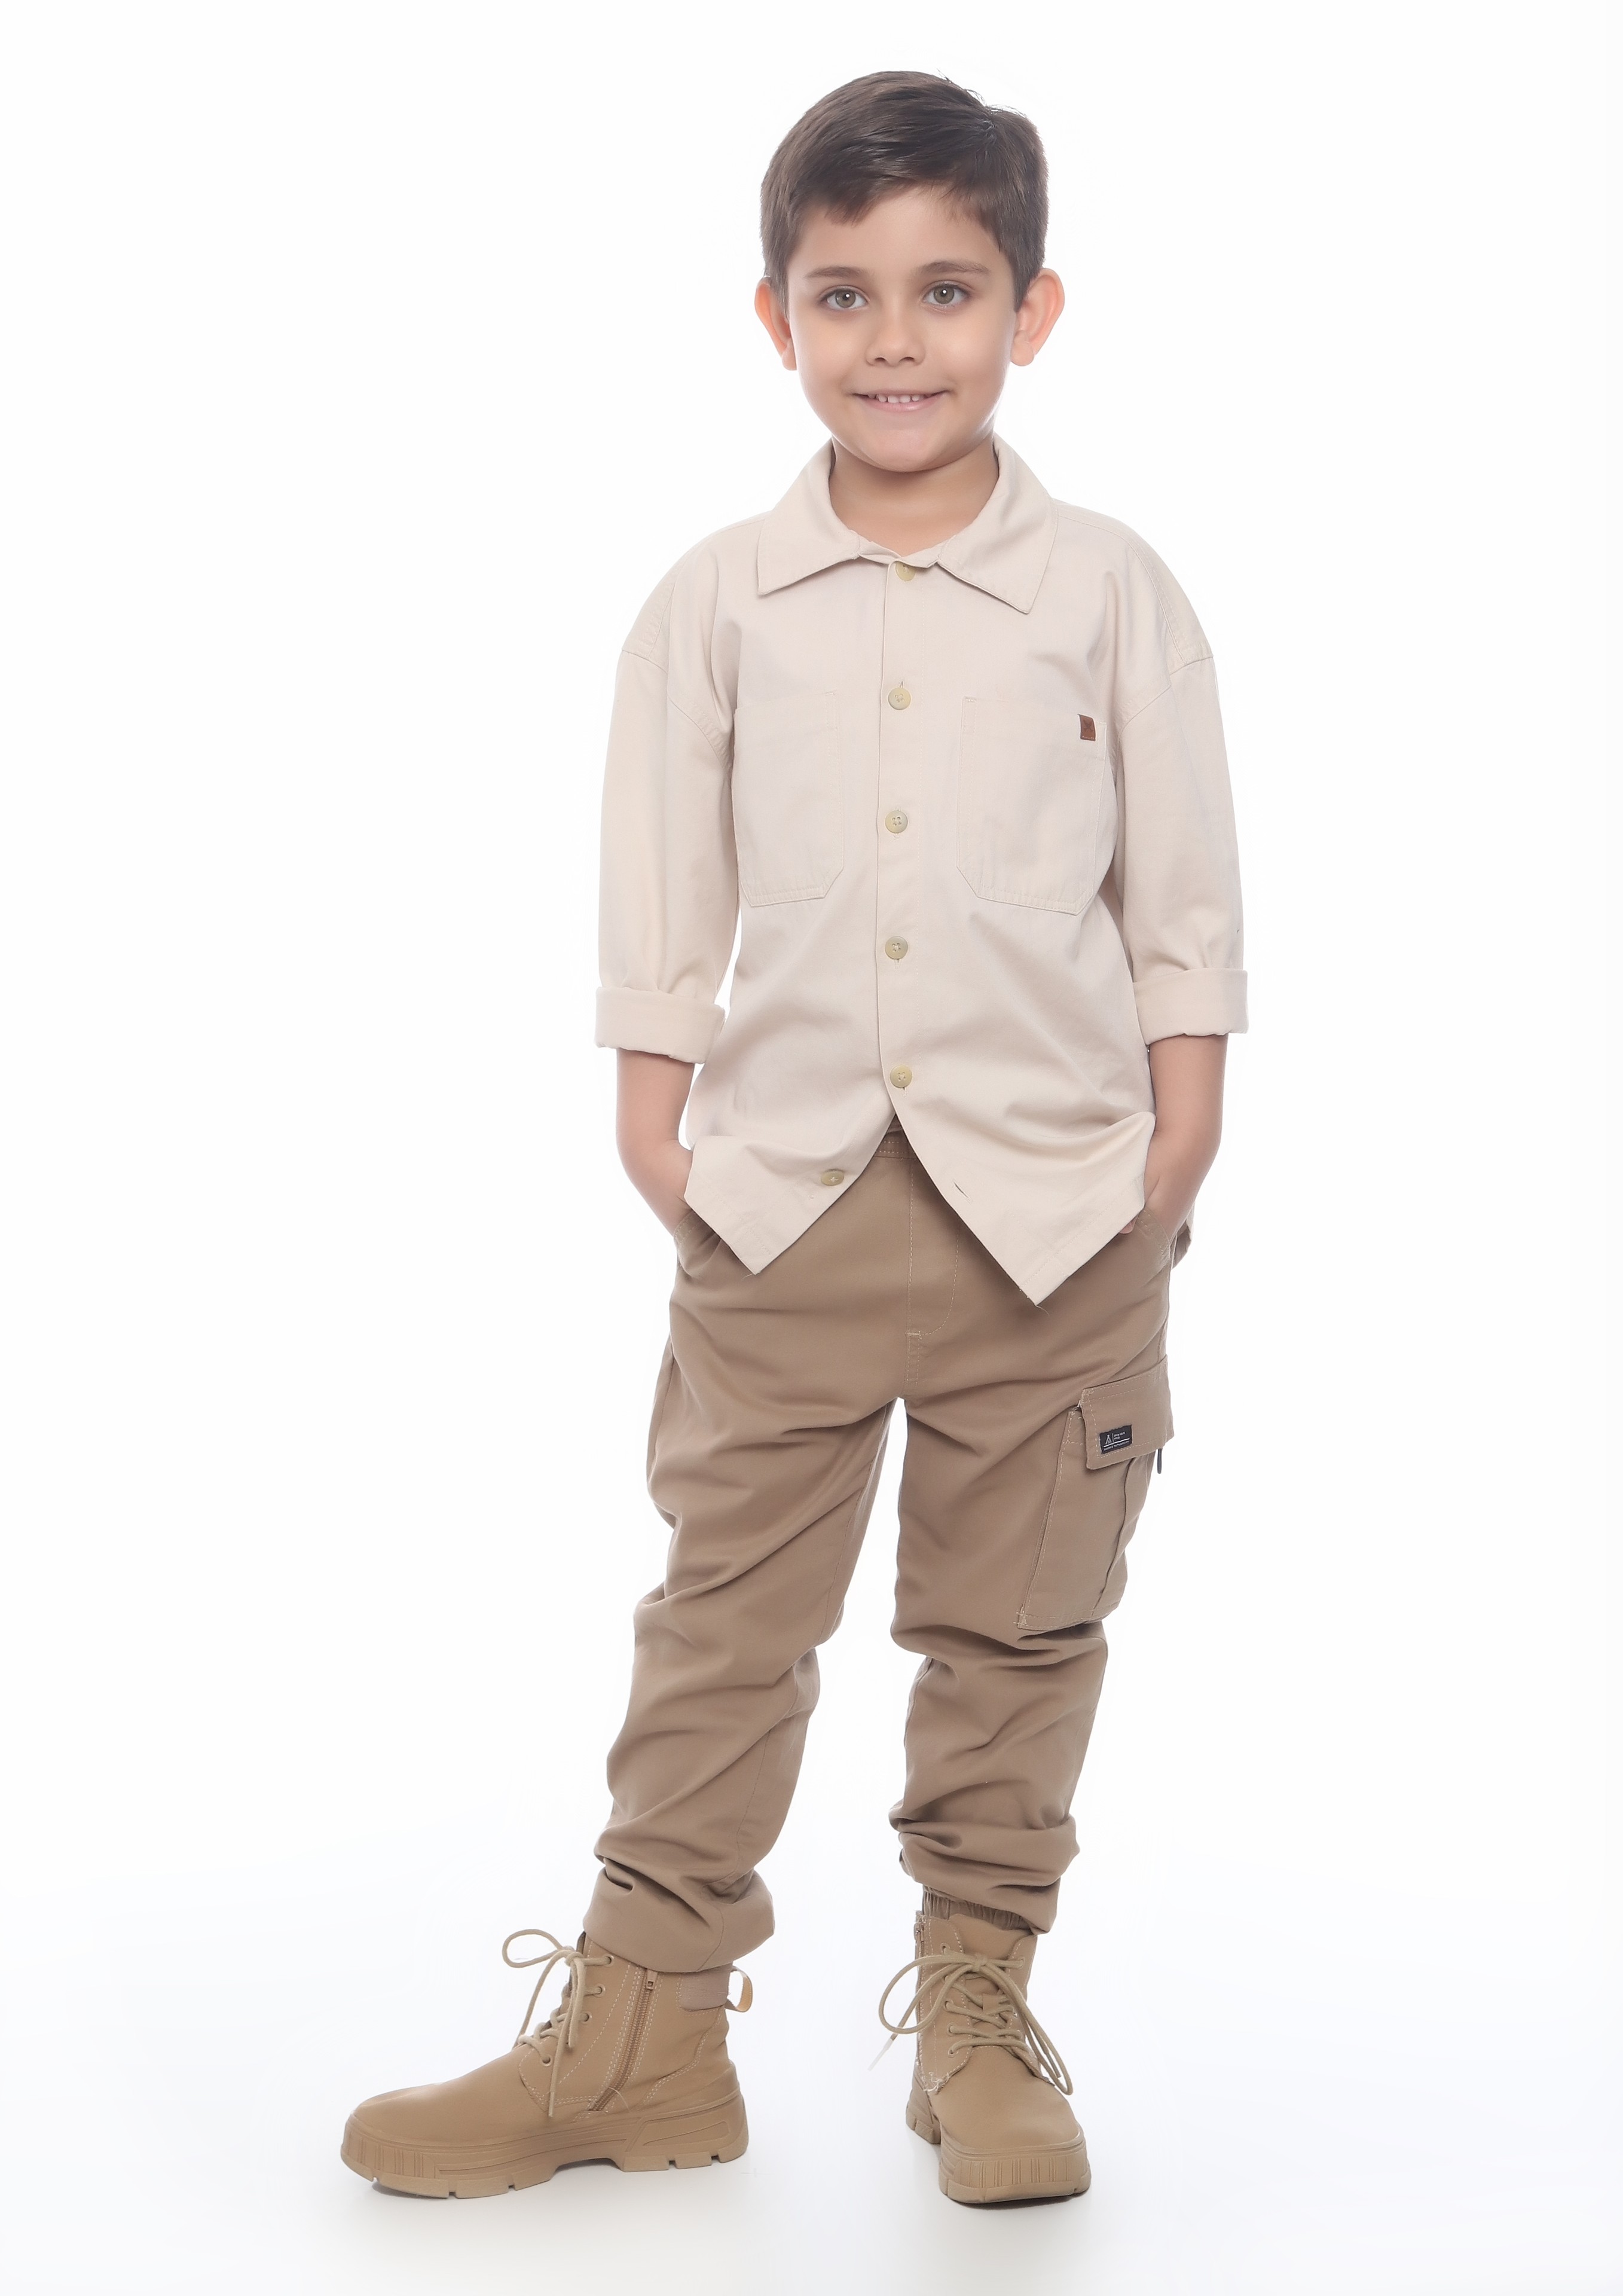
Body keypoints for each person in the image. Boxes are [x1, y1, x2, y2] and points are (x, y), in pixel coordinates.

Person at [341, 68, 1246, 2209]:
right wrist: (660, 1129)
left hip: (1060, 1217)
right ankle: (643, 2039)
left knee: (1018, 1631)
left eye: (947, 290)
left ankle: (977, 2020)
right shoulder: (716, 601)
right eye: (844, 294)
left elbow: (1180, 889)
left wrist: (1175, 1140)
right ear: (775, 318)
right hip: (781, 1207)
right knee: (722, 1629)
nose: (895, 339)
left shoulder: (1111, 589)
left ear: (1031, 311)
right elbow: (662, 883)